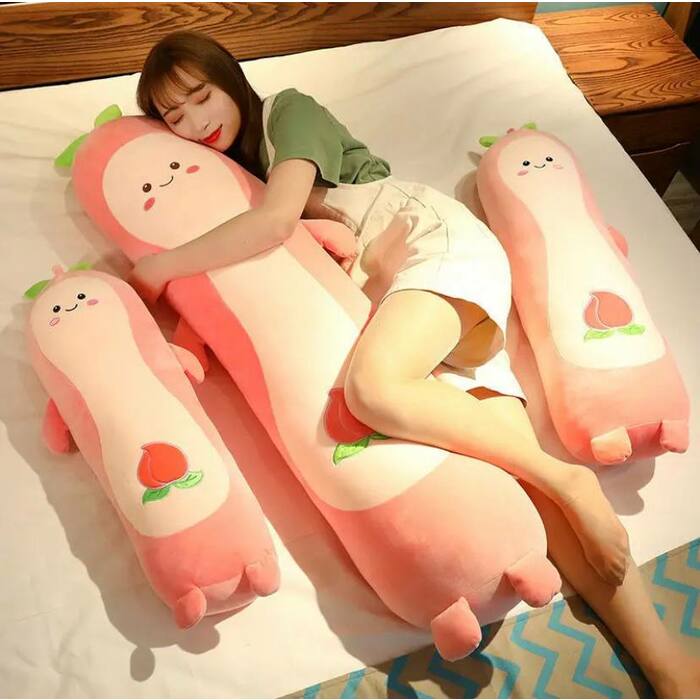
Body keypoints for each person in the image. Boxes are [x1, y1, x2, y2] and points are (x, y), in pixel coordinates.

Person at [132, 30, 699, 695]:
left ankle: (573, 479)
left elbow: (278, 220)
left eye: (201, 96)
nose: (194, 122)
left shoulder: (287, 112)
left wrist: (162, 267)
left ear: (229, 78)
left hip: (428, 244)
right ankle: (669, 664)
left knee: (374, 389)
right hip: (396, 302)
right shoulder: (231, 182)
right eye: (173, 115)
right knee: (534, 500)